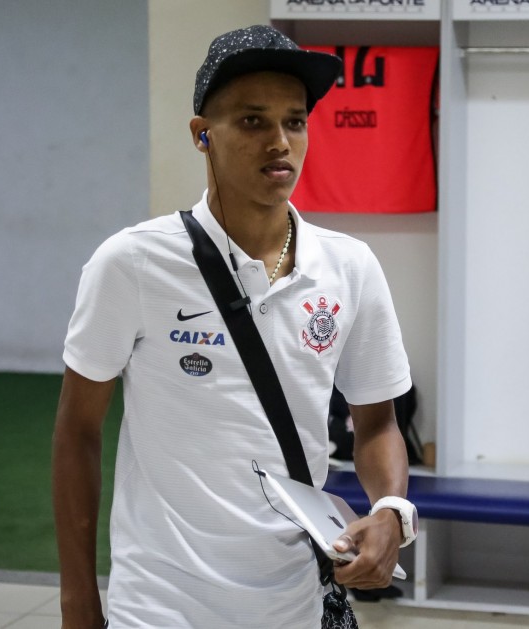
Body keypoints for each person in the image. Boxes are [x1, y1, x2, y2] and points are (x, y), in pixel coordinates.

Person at [52, 25, 417, 628]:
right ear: (203, 136)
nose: (280, 142)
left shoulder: (349, 267)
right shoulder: (133, 263)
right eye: (253, 121)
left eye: (294, 122)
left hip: (298, 602)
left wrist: (390, 508)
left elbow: (377, 422)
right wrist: (77, 601)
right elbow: (77, 432)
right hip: (161, 606)